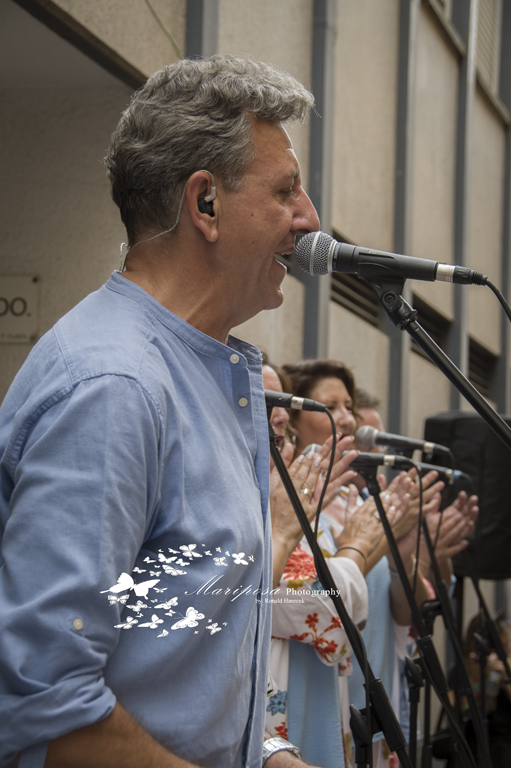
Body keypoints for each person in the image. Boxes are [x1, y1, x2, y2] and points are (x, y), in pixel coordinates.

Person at [0, 56, 320, 768]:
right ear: (205, 204)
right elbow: (44, 706)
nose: (308, 217)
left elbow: (175, 656)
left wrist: (265, 753)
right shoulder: (114, 387)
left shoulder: (195, 369)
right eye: (285, 191)